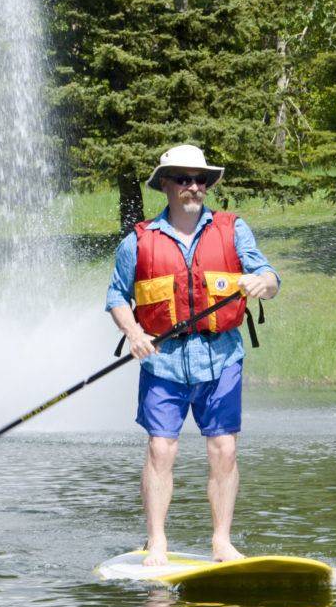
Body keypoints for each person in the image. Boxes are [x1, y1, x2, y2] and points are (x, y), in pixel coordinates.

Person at [106, 144, 280, 566]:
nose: (193, 187)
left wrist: (265, 284)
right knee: (161, 450)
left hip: (221, 356)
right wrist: (133, 331)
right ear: (164, 184)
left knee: (224, 448)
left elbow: (269, 275)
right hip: (163, 360)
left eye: (200, 179)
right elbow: (116, 295)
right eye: (183, 179)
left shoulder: (233, 230)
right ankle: (158, 542)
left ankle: (221, 541)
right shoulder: (138, 240)